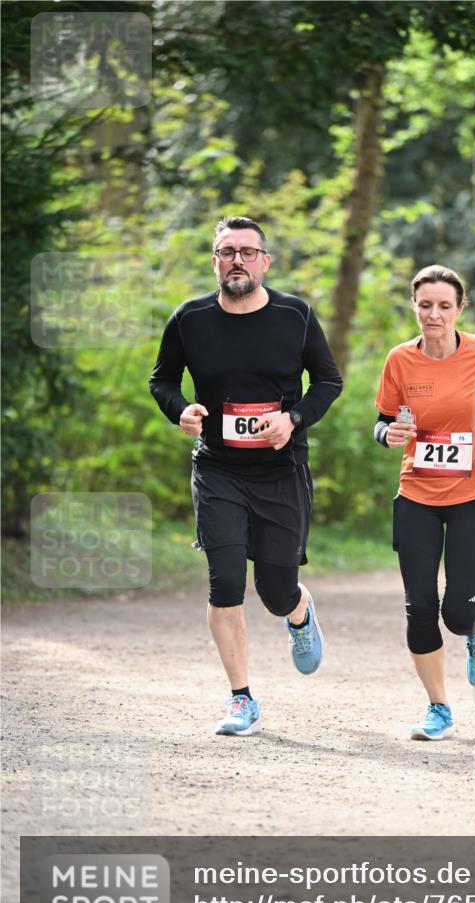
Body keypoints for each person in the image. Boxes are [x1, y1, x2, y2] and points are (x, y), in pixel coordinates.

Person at [149, 216, 343, 736]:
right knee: (226, 584)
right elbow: (162, 380)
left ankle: (298, 613)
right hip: (217, 470)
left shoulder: (295, 315)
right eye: (226, 250)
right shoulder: (189, 319)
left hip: (281, 470)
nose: (237, 259)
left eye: (247, 251)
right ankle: (241, 699)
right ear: (214, 260)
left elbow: (328, 379)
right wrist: (181, 409)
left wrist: (294, 417)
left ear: (264, 261)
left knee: (275, 591)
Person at [374, 264, 475, 740]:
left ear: (460, 308)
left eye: (444, 306)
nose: (434, 314)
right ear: (414, 306)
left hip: (474, 495)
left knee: (455, 613)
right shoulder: (400, 360)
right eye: (425, 305)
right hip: (417, 493)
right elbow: (383, 421)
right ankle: (438, 707)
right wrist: (388, 434)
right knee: (419, 607)